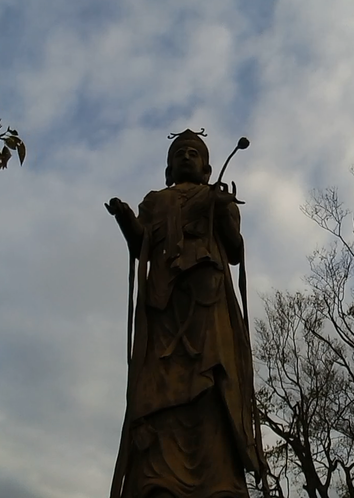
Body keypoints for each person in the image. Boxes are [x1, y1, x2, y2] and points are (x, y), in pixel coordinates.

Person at [106, 129, 261, 498]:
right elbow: (141, 243)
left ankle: (219, 478)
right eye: (180, 154)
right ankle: (156, 475)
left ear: (207, 169)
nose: (187, 157)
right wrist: (127, 220)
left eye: (194, 153)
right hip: (164, 304)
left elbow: (235, 250)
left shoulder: (217, 197)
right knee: (159, 383)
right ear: (168, 170)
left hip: (208, 303)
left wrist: (221, 210)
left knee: (212, 382)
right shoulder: (156, 201)